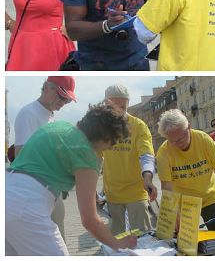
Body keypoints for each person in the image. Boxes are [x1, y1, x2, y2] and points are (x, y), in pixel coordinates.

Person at [6, 103, 137, 255]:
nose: (112, 148)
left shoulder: (57, 127)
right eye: (113, 141)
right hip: (27, 207)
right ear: (105, 135)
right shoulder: (86, 154)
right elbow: (90, 220)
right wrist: (118, 243)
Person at [13, 76, 76, 241]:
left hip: (51, 189)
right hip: (36, 192)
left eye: (67, 100)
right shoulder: (29, 113)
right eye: (61, 96)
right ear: (47, 88)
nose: (63, 102)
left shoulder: (49, 115)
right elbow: (21, 159)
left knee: (59, 237)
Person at [156, 109, 215, 232]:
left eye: (180, 139)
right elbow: (166, 187)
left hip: (209, 197)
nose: (177, 144)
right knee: (185, 244)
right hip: (183, 202)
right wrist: (174, 211)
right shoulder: (163, 152)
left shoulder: (204, 140)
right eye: (172, 140)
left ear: (189, 128)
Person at [101, 84, 157, 235]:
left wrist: (148, 177)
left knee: (142, 237)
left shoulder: (138, 126)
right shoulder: (101, 127)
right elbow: (94, 159)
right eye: (114, 107)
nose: (119, 111)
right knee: (116, 239)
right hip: (112, 192)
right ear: (106, 104)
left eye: (123, 107)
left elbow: (146, 154)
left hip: (136, 191)